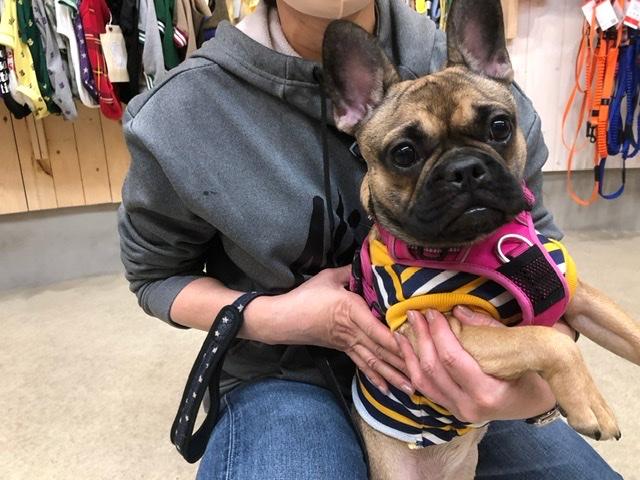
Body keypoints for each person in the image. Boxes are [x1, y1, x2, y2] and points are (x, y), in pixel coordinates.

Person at [117, 0, 622, 478]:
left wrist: (535, 386)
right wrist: (277, 318)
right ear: (351, 106)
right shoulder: (182, 111)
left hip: (479, 358)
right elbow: (154, 277)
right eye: (406, 154)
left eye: (492, 131)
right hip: (279, 372)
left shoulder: (476, 79)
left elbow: (543, 256)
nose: (465, 173)